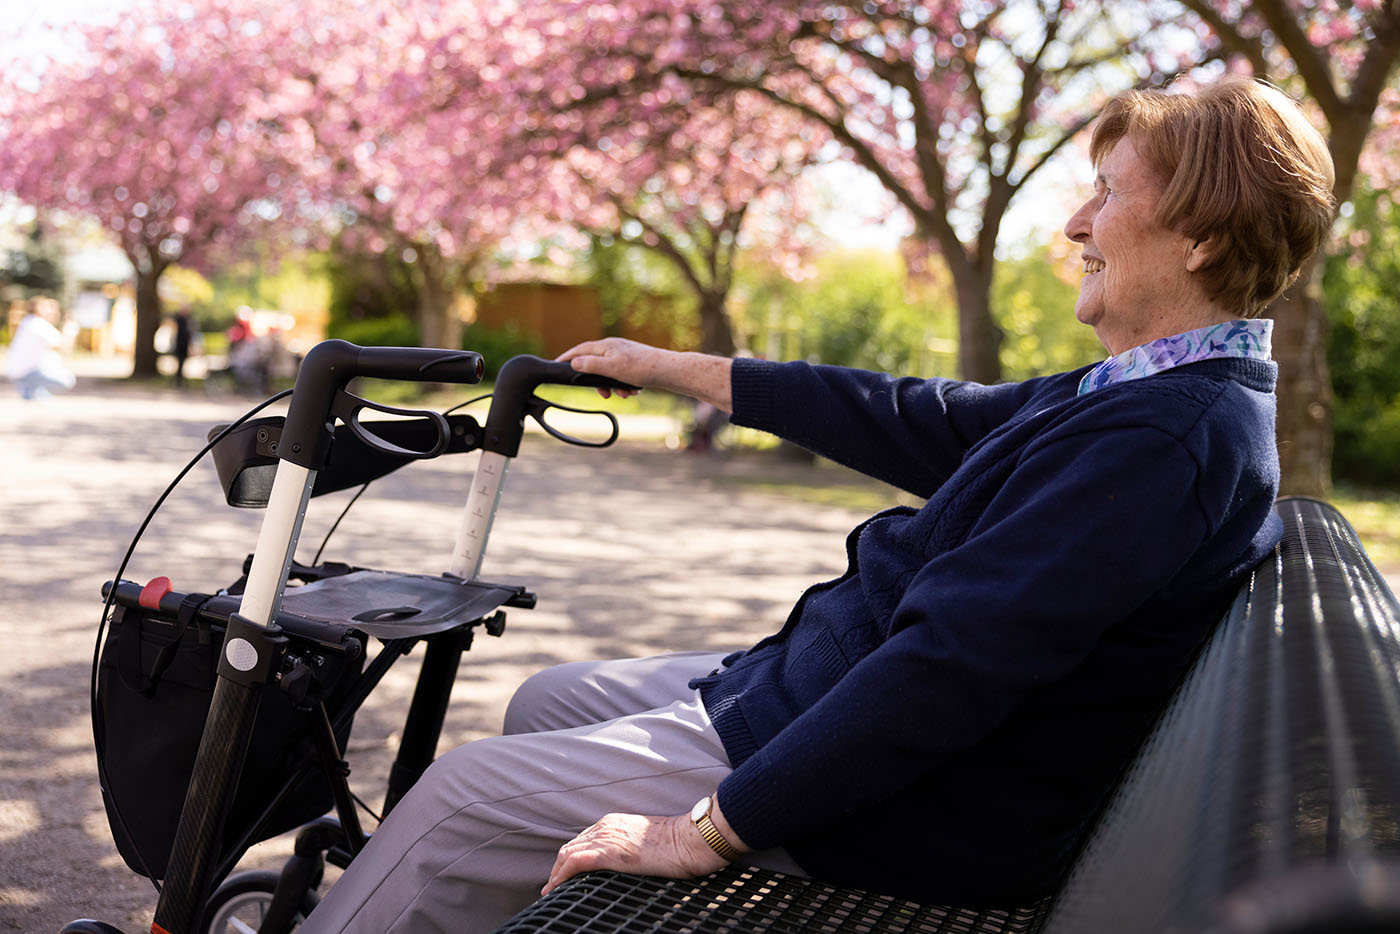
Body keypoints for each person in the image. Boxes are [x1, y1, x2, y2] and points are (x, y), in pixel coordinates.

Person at [298, 77, 1337, 933]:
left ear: (1198, 236)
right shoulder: (1148, 390)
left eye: (1104, 191)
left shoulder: (1162, 438)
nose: (1074, 220)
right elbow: (925, 418)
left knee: (461, 802)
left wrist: (703, 830)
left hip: (897, 806)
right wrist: (687, 370)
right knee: (545, 702)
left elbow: (947, 669)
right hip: (813, 696)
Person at [5, 298, 75, 400]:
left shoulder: (28, 321)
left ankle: (31, 389)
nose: (52, 311)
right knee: (67, 380)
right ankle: (30, 387)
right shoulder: (38, 324)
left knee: (52, 358)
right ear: (38, 309)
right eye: (48, 307)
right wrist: (70, 328)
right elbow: (65, 346)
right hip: (25, 372)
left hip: (18, 370)